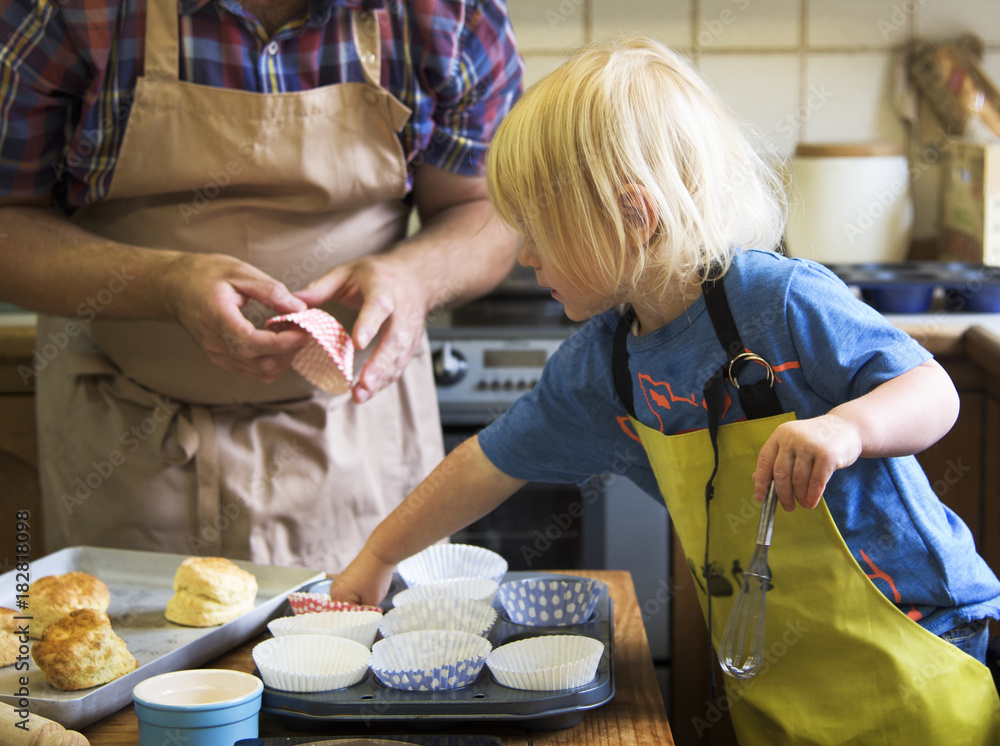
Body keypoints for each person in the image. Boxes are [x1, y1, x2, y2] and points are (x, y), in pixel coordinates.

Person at [330, 36, 1000, 744]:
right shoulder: (603, 366)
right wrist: (379, 556)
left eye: (540, 232)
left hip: (919, 647)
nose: (525, 257)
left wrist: (849, 428)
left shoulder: (780, 301)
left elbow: (933, 391)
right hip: (774, 675)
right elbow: (487, 464)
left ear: (633, 214)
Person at [0, 0, 522, 571]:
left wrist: (412, 277)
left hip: (358, 441)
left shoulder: (450, 16)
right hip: (125, 445)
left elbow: (485, 213)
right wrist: (163, 284)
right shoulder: (65, 13)